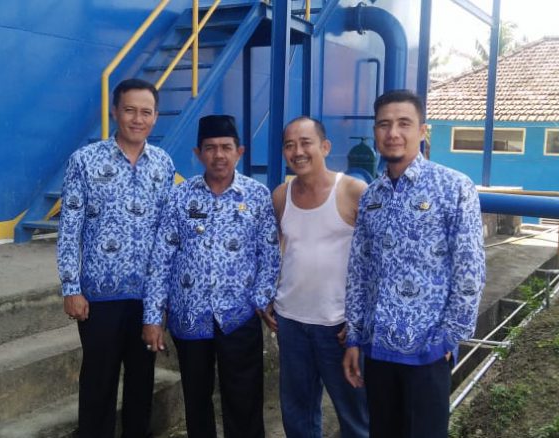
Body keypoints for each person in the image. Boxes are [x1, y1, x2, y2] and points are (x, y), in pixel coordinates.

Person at [341, 89, 486, 438]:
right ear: (375, 132)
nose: (393, 133)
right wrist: (354, 339)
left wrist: (448, 339)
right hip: (378, 351)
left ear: (422, 130)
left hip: (428, 352)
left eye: (404, 123)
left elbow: (470, 271)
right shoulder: (371, 196)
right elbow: (359, 271)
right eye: (384, 124)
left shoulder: (453, 188)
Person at [143, 115, 280, 438]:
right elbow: (161, 259)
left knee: (244, 399)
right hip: (190, 317)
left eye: (226, 147)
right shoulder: (180, 196)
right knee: (196, 399)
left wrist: (260, 299)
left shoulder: (257, 196)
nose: (219, 155)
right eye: (210, 148)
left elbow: (270, 254)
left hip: (239, 316)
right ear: (198, 153)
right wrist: (152, 317)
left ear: (239, 152)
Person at [56, 78, 174, 438]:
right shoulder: (84, 161)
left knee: (141, 383)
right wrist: (71, 288)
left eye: (146, 112)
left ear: (155, 117)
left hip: (146, 299)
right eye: (129, 110)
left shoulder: (164, 165)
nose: (138, 119)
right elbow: (69, 230)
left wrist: (164, 297)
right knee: (98, 384)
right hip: (98, 299)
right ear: (114, 112)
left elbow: (167, 237)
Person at [264, 116, 369, 438]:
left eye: (305, 143)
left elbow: (377, 260)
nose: (298, 151)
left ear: (324, 147)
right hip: (291, 322)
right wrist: (268, 296)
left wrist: (360, 320)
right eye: (289, 145)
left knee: (355, 415)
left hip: (338, 326)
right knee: (298, 415)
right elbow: (276, 252)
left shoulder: (353, 191)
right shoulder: (281, 195)